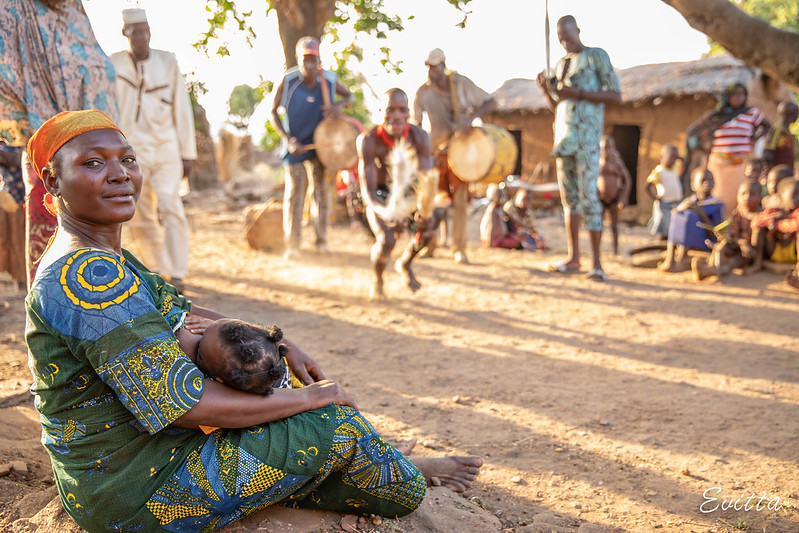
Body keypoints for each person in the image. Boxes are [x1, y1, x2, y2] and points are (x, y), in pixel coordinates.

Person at [24, 110, 482, 532]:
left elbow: (181, 309)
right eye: (93, 163)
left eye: (127, 159)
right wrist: (315, 399)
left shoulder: (103, 258)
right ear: (53, 180)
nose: (120, 174)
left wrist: (279, 341)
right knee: (342, 431)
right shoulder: (86, 276)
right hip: (133, 492)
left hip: (127, 470)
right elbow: (188, 406)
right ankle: (403, 471)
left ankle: (375, 457)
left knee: (295, 409)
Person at [0, 0, 118, 288]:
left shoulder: (76, 16)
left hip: (95, 150)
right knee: (50, 240)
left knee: (98, 238)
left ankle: (102, 308)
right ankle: (49, 320)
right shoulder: (15, 11)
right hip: (47, 151)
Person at [110, 8, 197, 293]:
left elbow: (182, 107)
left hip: (166, 148)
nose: (143, 37)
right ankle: (157, 270)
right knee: (140, 211)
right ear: (127, 34)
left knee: (170, 204)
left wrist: (187, 153)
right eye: (137, 32)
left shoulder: (167, 62)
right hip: (131, 151)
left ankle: (178, 272)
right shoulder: (114, 64)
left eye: (146, 31)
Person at [536, 15, 621, 282]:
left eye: (567, 35)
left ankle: (597, 263)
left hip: (586, 141)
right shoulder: (561, 64)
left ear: (578, 31)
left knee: (589, 199)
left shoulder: (596, 56)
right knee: (569, 202)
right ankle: (574, 258)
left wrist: (579, 94)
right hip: (563, 142)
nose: (564, 41)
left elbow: (616, 95)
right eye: (560, 37)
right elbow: (558, 106)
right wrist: (545, 91)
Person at [271, 36, 355, 260]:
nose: (309, 63)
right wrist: (289, 139)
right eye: (305, 58)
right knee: (295, 195)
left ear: (319, 59)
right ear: (298, 58)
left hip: (322, 146)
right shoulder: (288, 80)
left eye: (313, 58)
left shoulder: (328, 79)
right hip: (296, 145)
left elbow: (350, 96)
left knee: (321, 193)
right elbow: (272, 112)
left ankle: (321, 241)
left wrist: (338, 105)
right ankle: (293, 246)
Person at [357, 88, 443, 300]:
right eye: (390, 110)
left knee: (433, 221)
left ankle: (406, 262)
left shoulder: (420, 137)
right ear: (380, 112)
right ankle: (378, 280)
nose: (395, 115)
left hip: (407, 194)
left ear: (408, 114)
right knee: (387, 239)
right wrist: (386, 213)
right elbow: (367, 191)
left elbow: (426, 182)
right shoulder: (368, 140)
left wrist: (425, 211)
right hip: (378, 196)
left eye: (401, 110)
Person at [413, 48, 496, 264]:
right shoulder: (423, 92)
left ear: (444, 65)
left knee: (460, 201)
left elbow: (490, 101)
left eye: (435, 66)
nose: (432, 71)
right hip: (435, 153)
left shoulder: (460, 84)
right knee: (430, 202)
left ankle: (459, 248)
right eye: (429, 67)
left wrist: (471, 118)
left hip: (461, 153)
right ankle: (428, 245)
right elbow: (417, 124)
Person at [684, 82, 769, 215]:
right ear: (728, 97)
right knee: (718, 196)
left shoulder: (751, 113)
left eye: (742, 94)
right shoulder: (717, 116)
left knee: (740, 196)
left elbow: (767, 126)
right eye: (735, 95)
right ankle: (717, 226)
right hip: (718, 165)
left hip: (740, 164)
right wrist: (704, 150)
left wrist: (755, 138)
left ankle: (735, 226)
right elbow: (693, 132)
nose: (738, 98)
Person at [691, 179, 763, 281]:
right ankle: (712, 267)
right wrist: (741, 242)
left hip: (749, 252)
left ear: (760, 197)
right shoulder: (737, 213)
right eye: (743, 194)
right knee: (721, 246)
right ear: (737, 196)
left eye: (752, 194)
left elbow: (757, 241)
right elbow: (732, 234)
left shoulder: (760, 215)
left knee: (734, 262)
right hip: (736, 246)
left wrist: (745, 245)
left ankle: (715, 270)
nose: (747, 197)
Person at [658, 167, 724, 273]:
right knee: (678, 215)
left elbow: (716, 233)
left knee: (690, 216)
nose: (707, 183)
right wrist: (682, 208)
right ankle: (670, 259)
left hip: (706, 242)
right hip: (684, 241)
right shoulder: (689, 202)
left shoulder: (717, 205)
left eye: (710, 180)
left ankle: (682, 259)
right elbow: (674, 213)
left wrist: (701, 213)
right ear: (693, 185)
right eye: (702, 180)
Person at [597, 135, 631, 255]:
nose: (606, 151)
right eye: (603, 148)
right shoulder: (597, 163)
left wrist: (624, 197)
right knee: (598, 225)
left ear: (613, 148)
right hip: (600, 198)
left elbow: (627, 179)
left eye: (609, 148)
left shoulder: (617, 163)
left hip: (614, 198)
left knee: (614, 226)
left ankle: (615, 251)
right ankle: (597, 250)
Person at [645, 143, 683, 241]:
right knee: (665, 227)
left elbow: (683, 161)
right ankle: (661, 246)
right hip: (665, 204)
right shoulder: (659, 171)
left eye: (675, 158)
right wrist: (655, 197)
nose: (674, 160)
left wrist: (677, 156)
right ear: (662, 157)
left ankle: (668, 248)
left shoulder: (675, 168)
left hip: (676, 203)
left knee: (673, 227)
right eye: (671, 158)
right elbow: (647, 186)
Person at [763, 100, 798, 173]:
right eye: (797, 114)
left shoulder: (788, 133)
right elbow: (768, 149)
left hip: (787, 169)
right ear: (792, 114)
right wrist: (770, 167)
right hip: (777, 170)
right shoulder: (777, 130)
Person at [480, 184, 519, 249]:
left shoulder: (500, 209)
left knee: (515, 237)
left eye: (503, 196)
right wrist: (490, 242)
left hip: (499, 237)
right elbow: (490, 227)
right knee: (515, 241)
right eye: (500, 196)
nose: (502, 199)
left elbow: (513, 218)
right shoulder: (493, 210)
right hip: (494, 240)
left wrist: (526, 226)